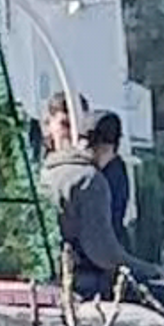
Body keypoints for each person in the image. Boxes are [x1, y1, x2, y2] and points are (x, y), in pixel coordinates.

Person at [57, 110, 133, 297]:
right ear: (110, 148)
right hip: (83, 279)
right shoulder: (90, 179)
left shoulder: (51, 171)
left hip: (57, 274)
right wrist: (148, 270)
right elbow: (102, 254)